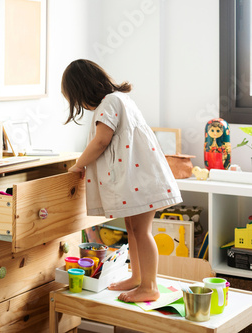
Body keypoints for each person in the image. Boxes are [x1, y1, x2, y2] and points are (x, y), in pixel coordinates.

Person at [61, 59, 182, 303]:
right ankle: (138, 277)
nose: (81, 105)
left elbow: (101, 141)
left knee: (142, 230)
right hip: (137, 179)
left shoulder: (109, 103)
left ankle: (149, 286)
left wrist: (79, 164)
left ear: (83, 89)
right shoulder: (119, 99)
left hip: (141, 180)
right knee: (133, 228)